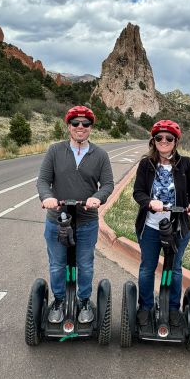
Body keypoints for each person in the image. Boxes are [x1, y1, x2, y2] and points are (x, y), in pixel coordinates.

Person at [37, 106, 114, 324]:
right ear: (68, 126)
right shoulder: (55, 151)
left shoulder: (100, 154)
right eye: (76, 123)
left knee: (85, 264)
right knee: (57, 264)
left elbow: (107, 183)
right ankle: (59, 300)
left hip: (87, 221)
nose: (80, 127)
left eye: (85, 124)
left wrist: (98, 197)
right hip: (57, 220)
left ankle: (83, 301)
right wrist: (47, 197)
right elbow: (43, 180)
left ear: (91, 128)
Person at [133, 119, 190, 328]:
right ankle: (145, 306)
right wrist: (148, 202)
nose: (164, 141)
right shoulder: (146, 164)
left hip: (178, 227)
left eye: (169, 138)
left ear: (176, 141)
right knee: (147, 268)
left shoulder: (186, 164)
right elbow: (138, 192)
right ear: (153, 141)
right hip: (151, 227)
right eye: (159, 138)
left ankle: (173, 308)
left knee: (174, 268)